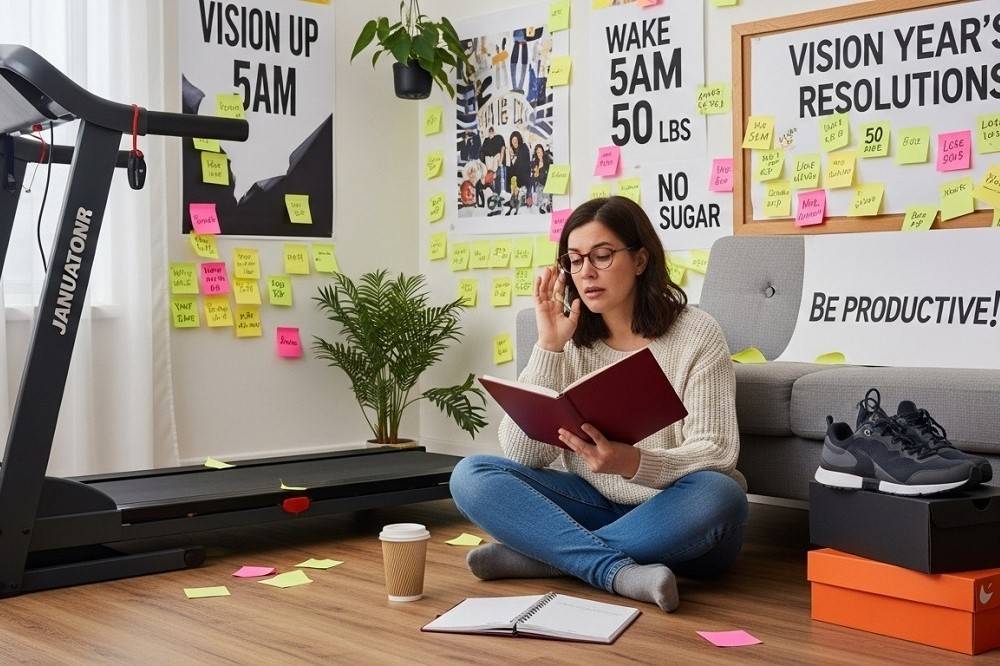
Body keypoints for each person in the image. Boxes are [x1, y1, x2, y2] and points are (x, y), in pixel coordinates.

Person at [450, 196, 747, 613]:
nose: (585, 272)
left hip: (675, 517)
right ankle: (616, 570)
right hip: (596, 506)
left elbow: (717, 450)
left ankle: (549, 558)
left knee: (721, 493)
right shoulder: (569, 339)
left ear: (640, 260)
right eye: (573, 260)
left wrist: (633, 463)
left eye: (602, 256)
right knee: (471, 474)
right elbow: (522, 453)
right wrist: (549, 346)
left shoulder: (696, 334)